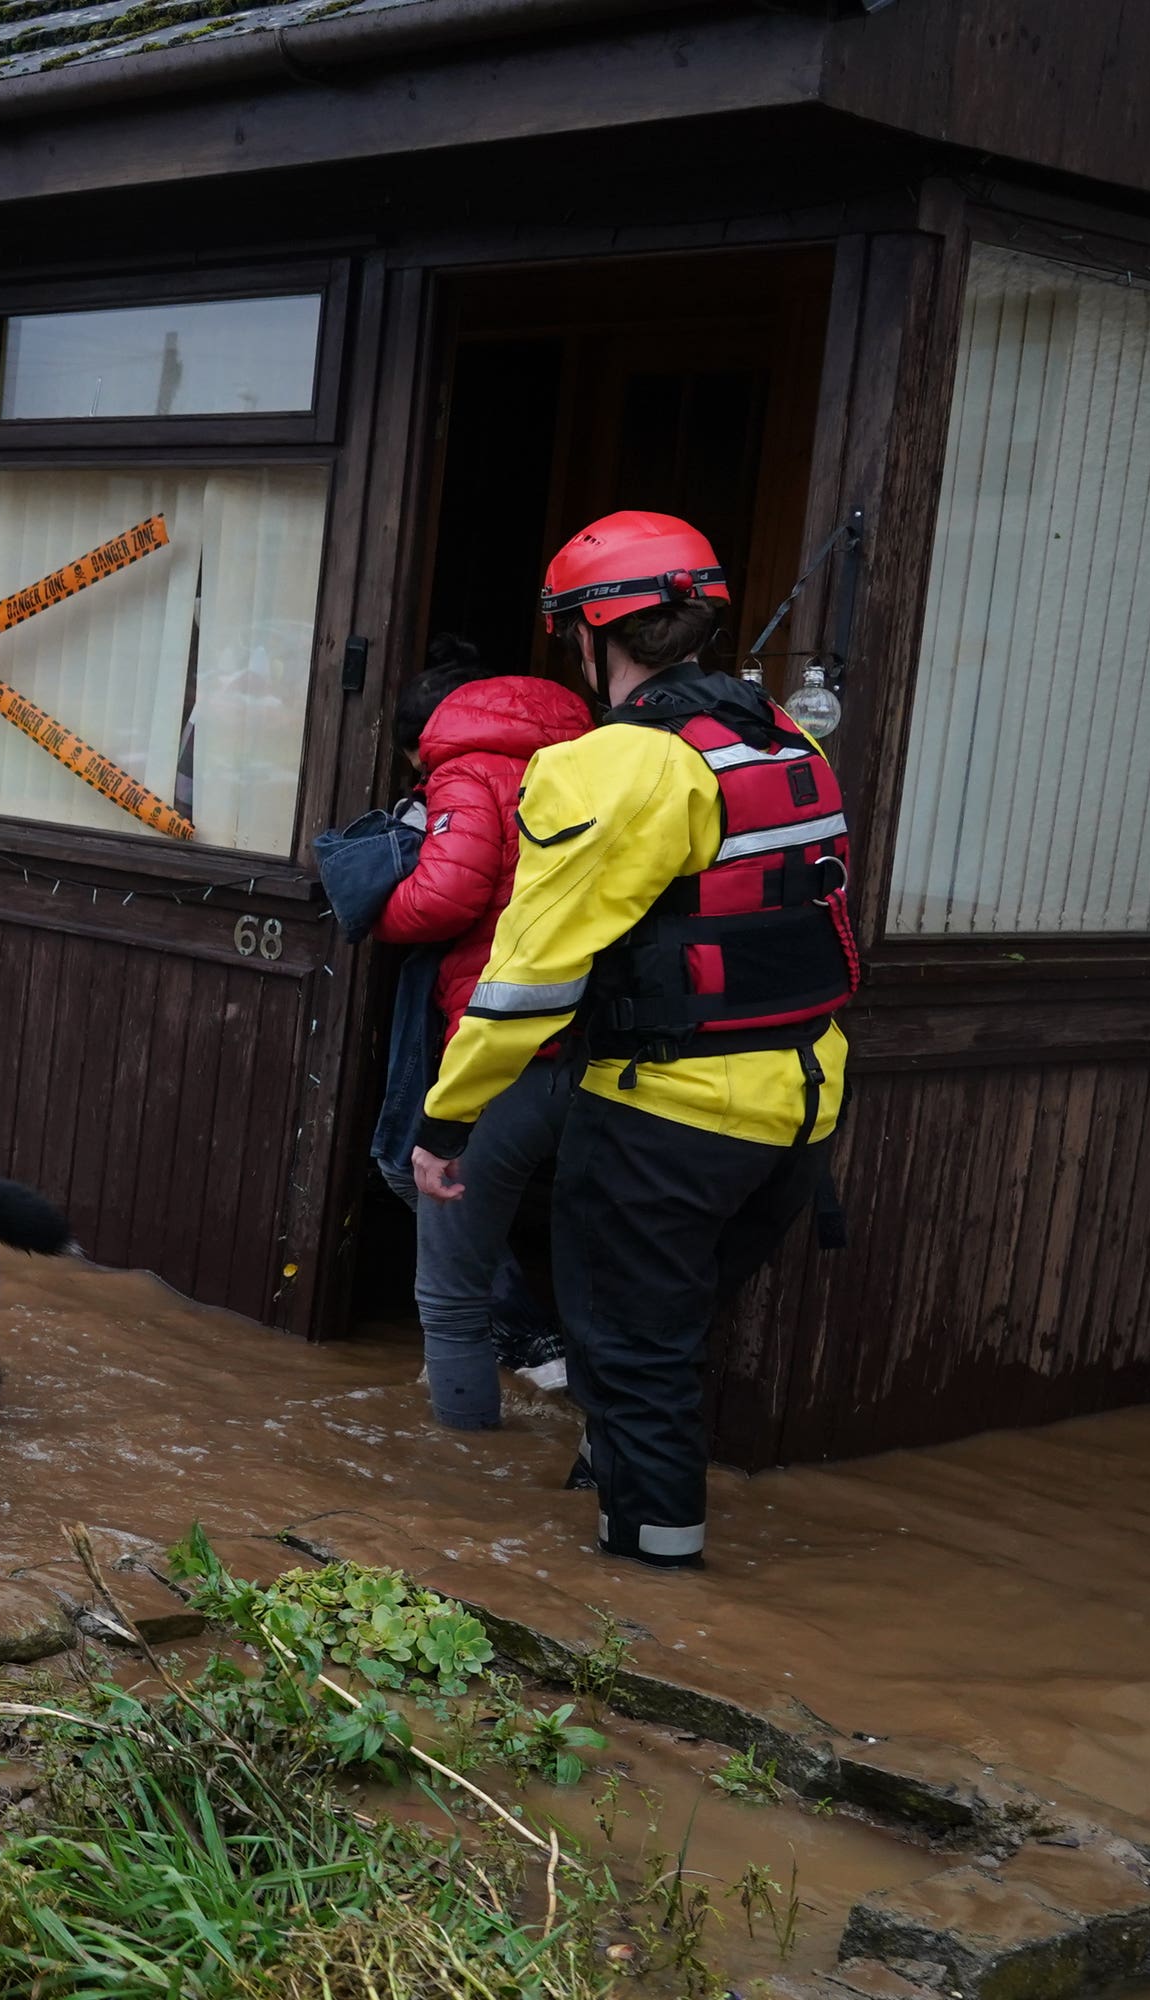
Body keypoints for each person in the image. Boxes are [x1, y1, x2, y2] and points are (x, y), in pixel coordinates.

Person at [412, 511, 857, 1568]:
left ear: (586, 633)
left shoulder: (611, 766)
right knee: (659, 1344)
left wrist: (449, 1116)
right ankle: (621, 1514)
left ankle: (651, 1596)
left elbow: (529, 975)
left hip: (668, 1116)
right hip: (800, 1112)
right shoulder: (784, 737)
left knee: (630, 1357)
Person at [372, 643, 592, 1428]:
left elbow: (442, 898)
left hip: (503, 1034)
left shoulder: (466, 771)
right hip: (610, 1045)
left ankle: (453, 1490)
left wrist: (371, 909)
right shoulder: (599, 759)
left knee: (448, 1286)